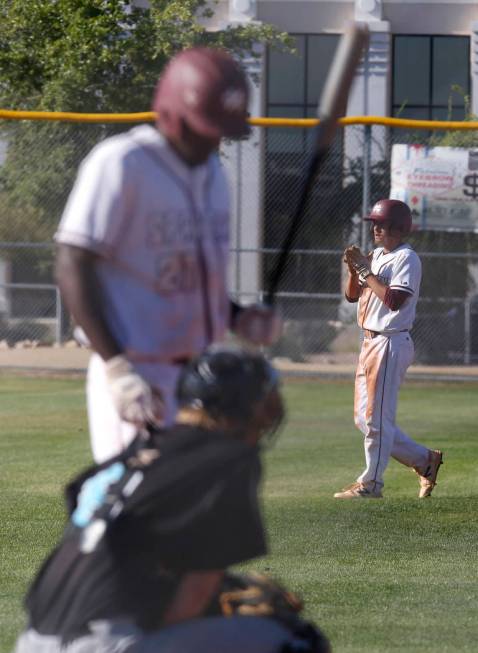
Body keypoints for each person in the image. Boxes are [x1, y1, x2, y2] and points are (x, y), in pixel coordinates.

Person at [14, 345, 329, 653]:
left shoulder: (137, 451)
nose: (271, 413)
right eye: (265, 401)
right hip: (106, 644)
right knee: (296, 639)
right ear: (242, 407)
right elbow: (192, 597)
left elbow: (82, 503)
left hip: (33, 639)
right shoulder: (229, 458)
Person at [54, 47, 282, 464]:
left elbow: (194, 281)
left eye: (220, 131)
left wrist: (238, 317)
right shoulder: (122, 162)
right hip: (137, 371)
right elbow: (72, 260)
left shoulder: (214, 176)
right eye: (204, 128)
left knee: (202, 514)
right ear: (171, 113)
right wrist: (117, 369)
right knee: (145, 510)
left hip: (199, 376)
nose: (213, 139)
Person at [335, 199, 443, 499]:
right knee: (365, 419)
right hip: (369, 341)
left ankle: (371, 484)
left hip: (390, 341)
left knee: (377, 420)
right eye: (373, 223)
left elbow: (395, 300)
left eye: (381, 224)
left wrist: (367, 272)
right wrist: (353, 270)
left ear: (398, 228)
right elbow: (352, 296)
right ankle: (425, 460)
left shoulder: (407, 258)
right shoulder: (379, 255)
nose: (375, 228)